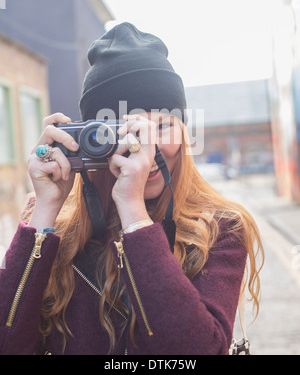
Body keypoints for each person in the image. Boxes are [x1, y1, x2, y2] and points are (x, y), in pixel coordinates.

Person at [0, 22, 263, 355]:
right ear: (91, 137)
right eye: (126, 130)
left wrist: (134, 215)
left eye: (162, 126)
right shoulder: (49, 221)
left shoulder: (221, 227)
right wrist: (45, 212)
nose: (146, 148)